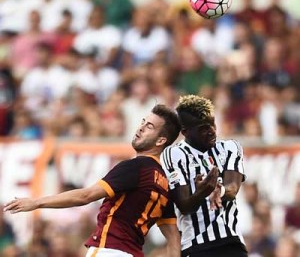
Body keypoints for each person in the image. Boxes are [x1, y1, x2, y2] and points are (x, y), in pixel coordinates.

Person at [4, 104, 182, 257]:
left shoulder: (135, 167)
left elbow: (86, 196)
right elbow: (173, 237)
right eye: (143, 121)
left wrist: (36, 202)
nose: (141, 127)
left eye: (149, 126)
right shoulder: (164, 182)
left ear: (161, 140)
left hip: (108, 249)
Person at [161, 94, 248, 257]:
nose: (211, 131)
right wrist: (203, 192)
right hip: (196, 246)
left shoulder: (230, 147)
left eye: (212, 124)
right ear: (185, 131)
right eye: (203, 128)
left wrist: (220, 190)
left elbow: (233, 188)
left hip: (231, 241)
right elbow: (184, 206)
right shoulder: (173, 154)